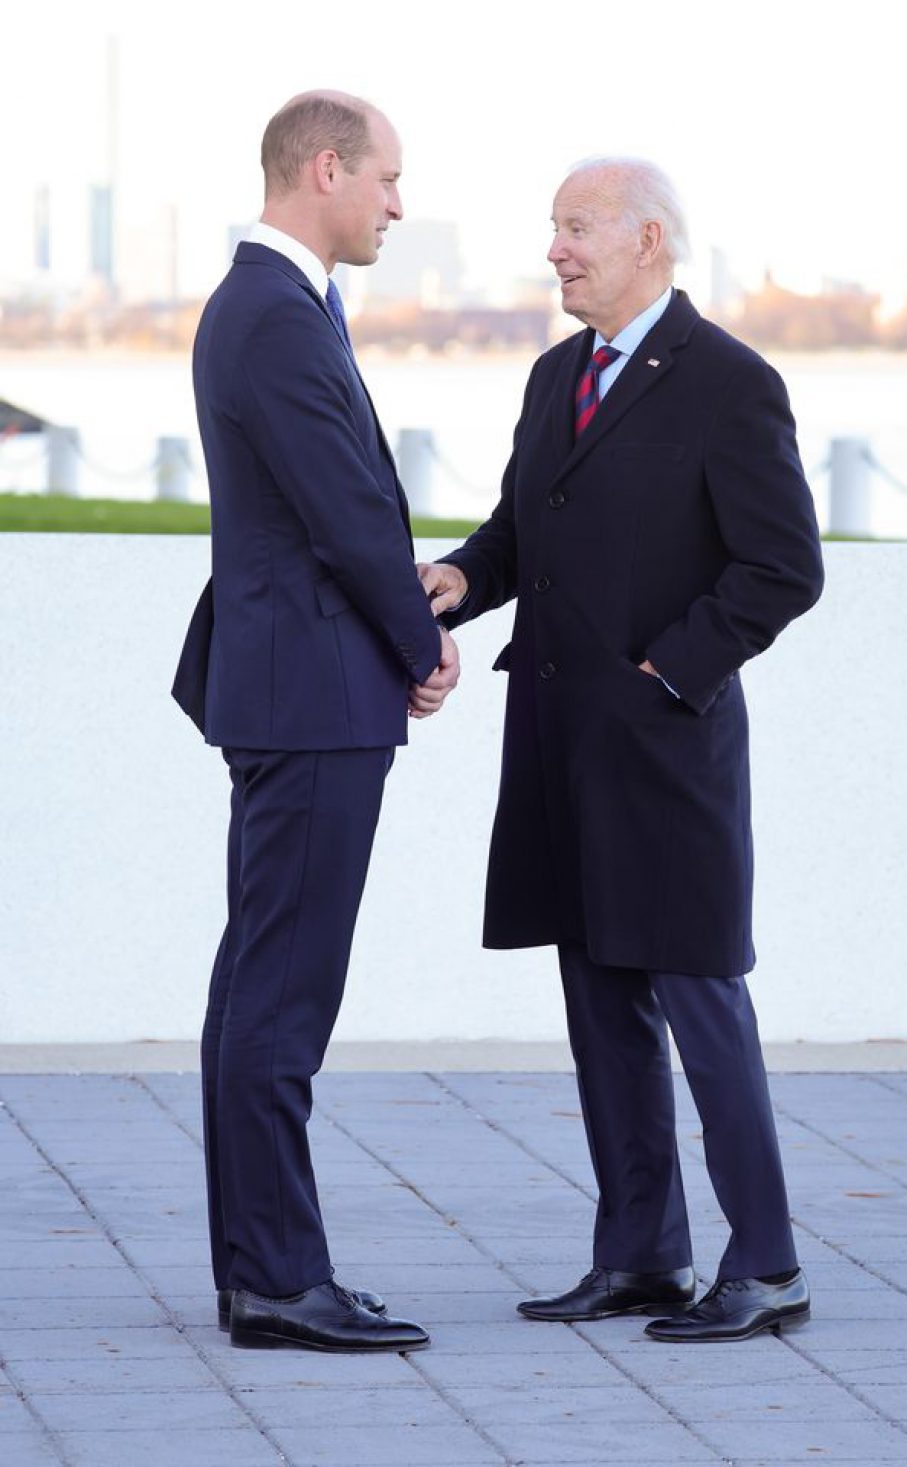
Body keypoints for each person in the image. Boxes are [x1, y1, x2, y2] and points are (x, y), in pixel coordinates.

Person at [419, 157, 824, 1343]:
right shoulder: (556, 378)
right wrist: (461, 578)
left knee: (703, 998)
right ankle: (642, 1255)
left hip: (667, 750)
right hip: (560, 746)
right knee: (600, 1007)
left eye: (576, 228)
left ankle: (769, 1262)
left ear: (650, 240)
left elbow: (783, 568)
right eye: (553, 229)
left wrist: (668, 673)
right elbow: (519, 529)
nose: (555, 249)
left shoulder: (729, 383)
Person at [172, 90, 458, 1353]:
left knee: (262, 983)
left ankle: (263, 1268)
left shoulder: (275, 307)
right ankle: (281, 1279)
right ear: (326, 169)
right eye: (389, 180)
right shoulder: (274, 314)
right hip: (313, 697)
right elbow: (345, 510)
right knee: (283, 994)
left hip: (295, 690)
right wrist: (424, 640)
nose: (399, 205)